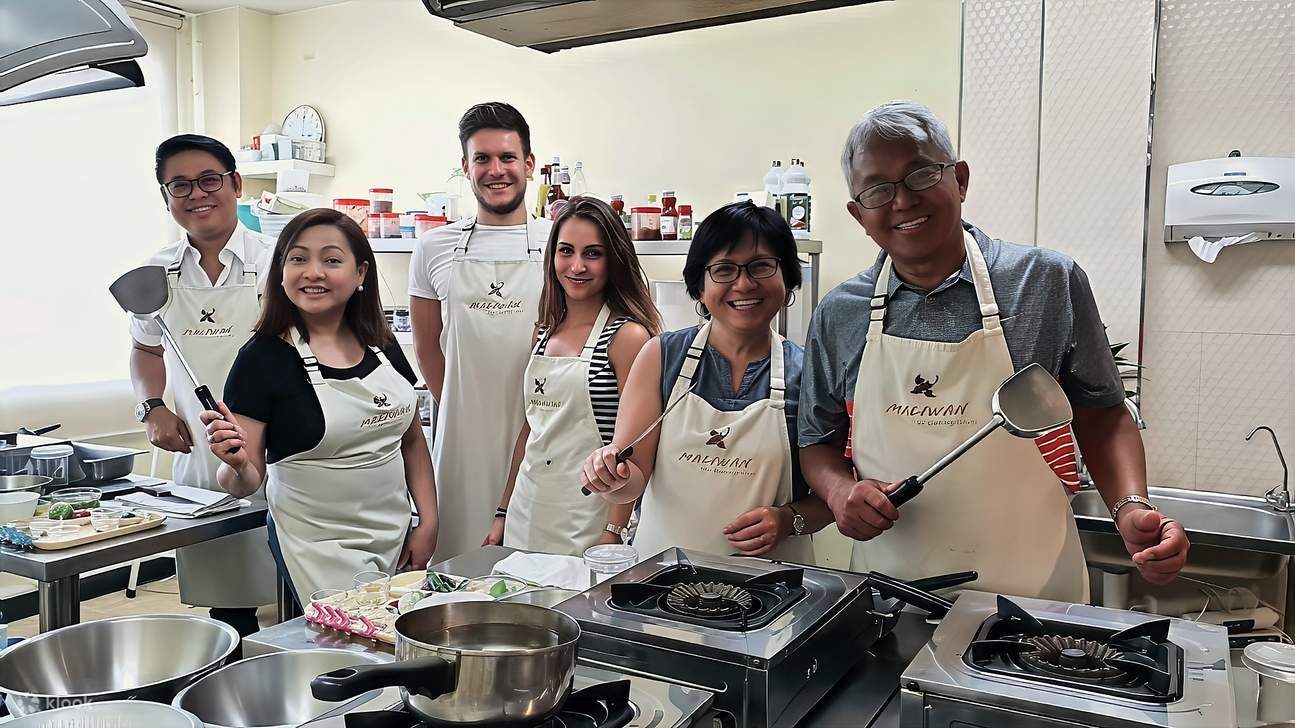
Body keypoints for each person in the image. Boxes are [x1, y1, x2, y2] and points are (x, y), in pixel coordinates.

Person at [798, 101, 1188, 601]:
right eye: (878, 189)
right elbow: (817, 441)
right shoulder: (840, 313)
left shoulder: (1045, 283)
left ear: (958, 179)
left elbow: (1103, 415)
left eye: (920, 173)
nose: (902, 201)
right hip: (894, 595)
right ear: (859, 214)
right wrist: (837, 491)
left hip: (1035, 597)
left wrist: (1132, 507)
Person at [201, 208, 438, 608]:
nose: (313, 272)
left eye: (331, 259)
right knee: (343, 657)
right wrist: (236, 464)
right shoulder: (261, 360)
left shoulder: (381, 342)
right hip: (315, 547)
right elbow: (246, 479)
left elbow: (412, 441)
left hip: (394, 535)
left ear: (360, 273)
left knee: (395, 652)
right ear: (280, 271)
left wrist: (428, 520)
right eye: (298, 259)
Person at [581, 201, 833, 562]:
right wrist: (613, 478)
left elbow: (833, 496)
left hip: (770, 592)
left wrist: (788, 519)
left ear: (788, 277)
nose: (744, 283)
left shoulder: (808, 372)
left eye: (761, 266)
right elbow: (633, 477)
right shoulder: (660, 356)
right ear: (699, 285)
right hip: (661, 584)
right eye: (724, 269)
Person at [126, 134, 277, 637]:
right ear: (165, 197)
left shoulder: (279, 260)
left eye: (209, 179)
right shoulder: (156, 272)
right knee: (227, 592)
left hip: (283, 449)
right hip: (205, 447)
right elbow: (146, 350)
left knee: (296, 588)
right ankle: (232, 680)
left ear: (235, 183)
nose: (197, 195)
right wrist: (152, 408)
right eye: (180, 186)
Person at [409, 102, 553, 560]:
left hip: (545, 428)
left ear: (528, 165)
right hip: (461, 440)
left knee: (536, 568)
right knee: (460, 564)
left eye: (508, 158)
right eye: (482, 159)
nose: (496, 170)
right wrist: (458, 406)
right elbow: (426, 346)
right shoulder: (433, 247)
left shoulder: (559, 243)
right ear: (465, 167)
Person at [483, 197, 659, 555]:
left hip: (588, 518)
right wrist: (503, 511)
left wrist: (613, 531)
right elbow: (533, 430)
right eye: (566, 251)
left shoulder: (627, 337)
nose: (577, 266)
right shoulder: (544, 332)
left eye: (593, 253)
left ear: (614, 259)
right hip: (528, 509)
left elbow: (638, 448)